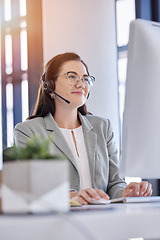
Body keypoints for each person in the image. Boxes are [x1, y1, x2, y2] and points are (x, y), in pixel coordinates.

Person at [14, 52, 152, 205]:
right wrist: (71, 196)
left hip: (102, 220)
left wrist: (126, 192)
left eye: (85, 78)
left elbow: (114, 183)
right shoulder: (28, 131)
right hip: (57, 222)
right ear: (50, 85)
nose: (81, 84)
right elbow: (30, 186)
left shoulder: (102, 127)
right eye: (72, 76)